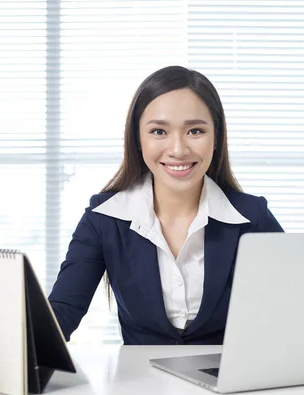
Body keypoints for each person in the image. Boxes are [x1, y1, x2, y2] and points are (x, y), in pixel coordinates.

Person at [48, 65, 284, 345]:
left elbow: (296, 309)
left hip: (228, 383)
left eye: (195, 131)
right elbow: (62, 312)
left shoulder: (252, 218)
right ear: (137, 139)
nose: (178, 150)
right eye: (159, 131)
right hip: (139, 384)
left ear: (217, 137)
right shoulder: (103, 218)